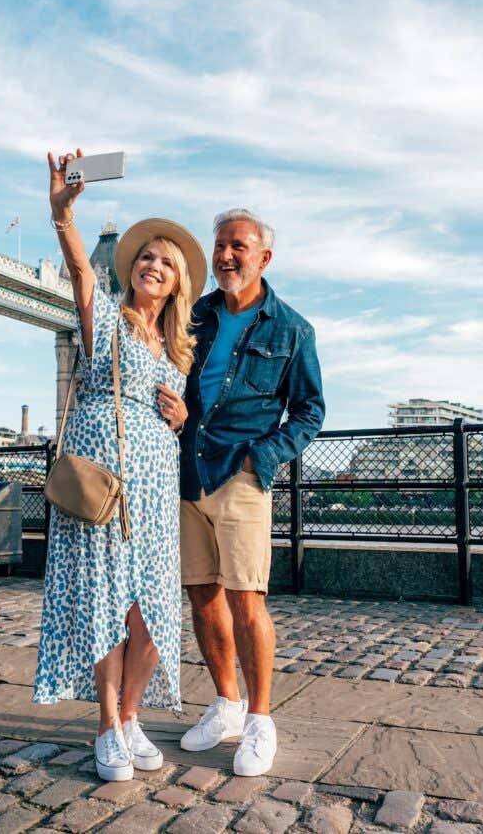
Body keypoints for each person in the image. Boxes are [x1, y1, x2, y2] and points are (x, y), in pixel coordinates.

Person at [33, 149, 207, 783]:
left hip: (156, 486)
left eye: (165, 262)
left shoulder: (180, 347)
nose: (152, 265)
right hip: (103, 479)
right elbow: (82, 270)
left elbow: (181, 413)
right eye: (145, 257)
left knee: (153, 609)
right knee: (106, 602)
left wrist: (182, 417)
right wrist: (63, 214)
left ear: (178, 282)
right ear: (131, 269)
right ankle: (107, 725)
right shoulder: (107, 319)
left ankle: (132, 716)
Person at [176, 208, 325, 776]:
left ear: (264, 258)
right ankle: (227, 705)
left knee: (246, 599)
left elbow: (309, 412)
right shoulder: (194, 314)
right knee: (202, 595)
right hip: (187, 470)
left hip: (241, 477)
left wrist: (259, 456)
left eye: (238, 246)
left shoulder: (292, 329)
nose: (225, 255)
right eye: (220, 245)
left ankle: (261, 720)